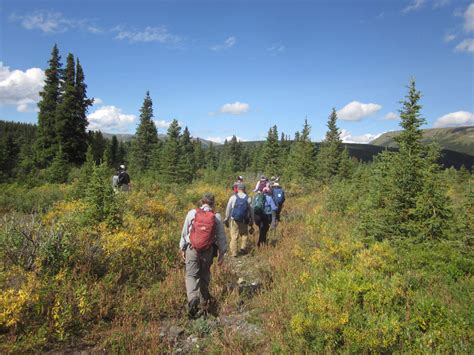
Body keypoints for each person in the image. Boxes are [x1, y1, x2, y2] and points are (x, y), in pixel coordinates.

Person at [179, 193, 227, 318]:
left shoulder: (192, 213)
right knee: (204, 275)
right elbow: (221, 237)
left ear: (202, 202)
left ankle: (193, 298)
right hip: (208, 250)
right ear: (213, 203)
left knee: (191, 275)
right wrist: (222, 253)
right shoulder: (216, 217)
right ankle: (204, 299)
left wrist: (182, 248)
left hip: (192, 249)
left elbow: (185, 232)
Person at [224, 183, 253, 257]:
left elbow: (228, 209)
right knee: (244, 234)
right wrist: (252, 220)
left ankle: (234, 253)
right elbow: (251, 210)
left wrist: (226, 218)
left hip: (234, 220)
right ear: (244, 189)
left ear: (237, 189)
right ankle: (243, 248)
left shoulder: (233, 197)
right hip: (244, 220)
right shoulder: (248, 198)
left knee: (234, 236)